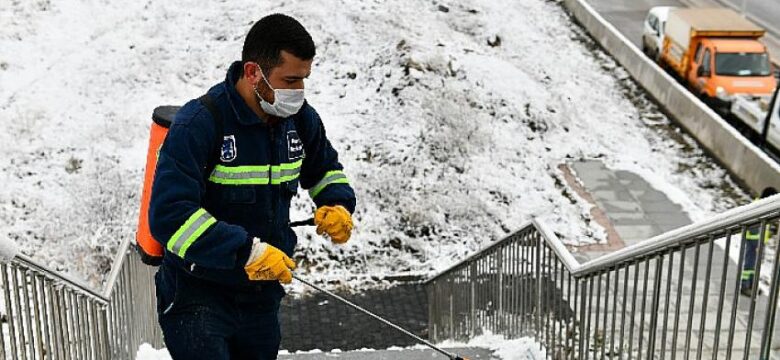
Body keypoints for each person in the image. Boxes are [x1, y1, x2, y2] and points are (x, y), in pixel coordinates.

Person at [148, 14, 356, 359]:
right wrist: (245, 251)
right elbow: (170, 217)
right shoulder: (199, 124)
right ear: (252, 73)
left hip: (261, 296)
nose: (297, 92)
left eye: (303, 80)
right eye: (289, 80)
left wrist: (337, 205)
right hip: (199, 296)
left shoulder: (300, 121)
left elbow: (325, 169)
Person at [740, 187, 777, 297]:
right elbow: (754, 228)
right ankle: (745, 286)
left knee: (755, 265)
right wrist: (757, 244)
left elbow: (763, 226)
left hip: (758, 241)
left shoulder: (763, 205)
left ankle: (752, 285)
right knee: (750, 264)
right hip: (754, 241)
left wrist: (770, 231)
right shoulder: (758, 208)